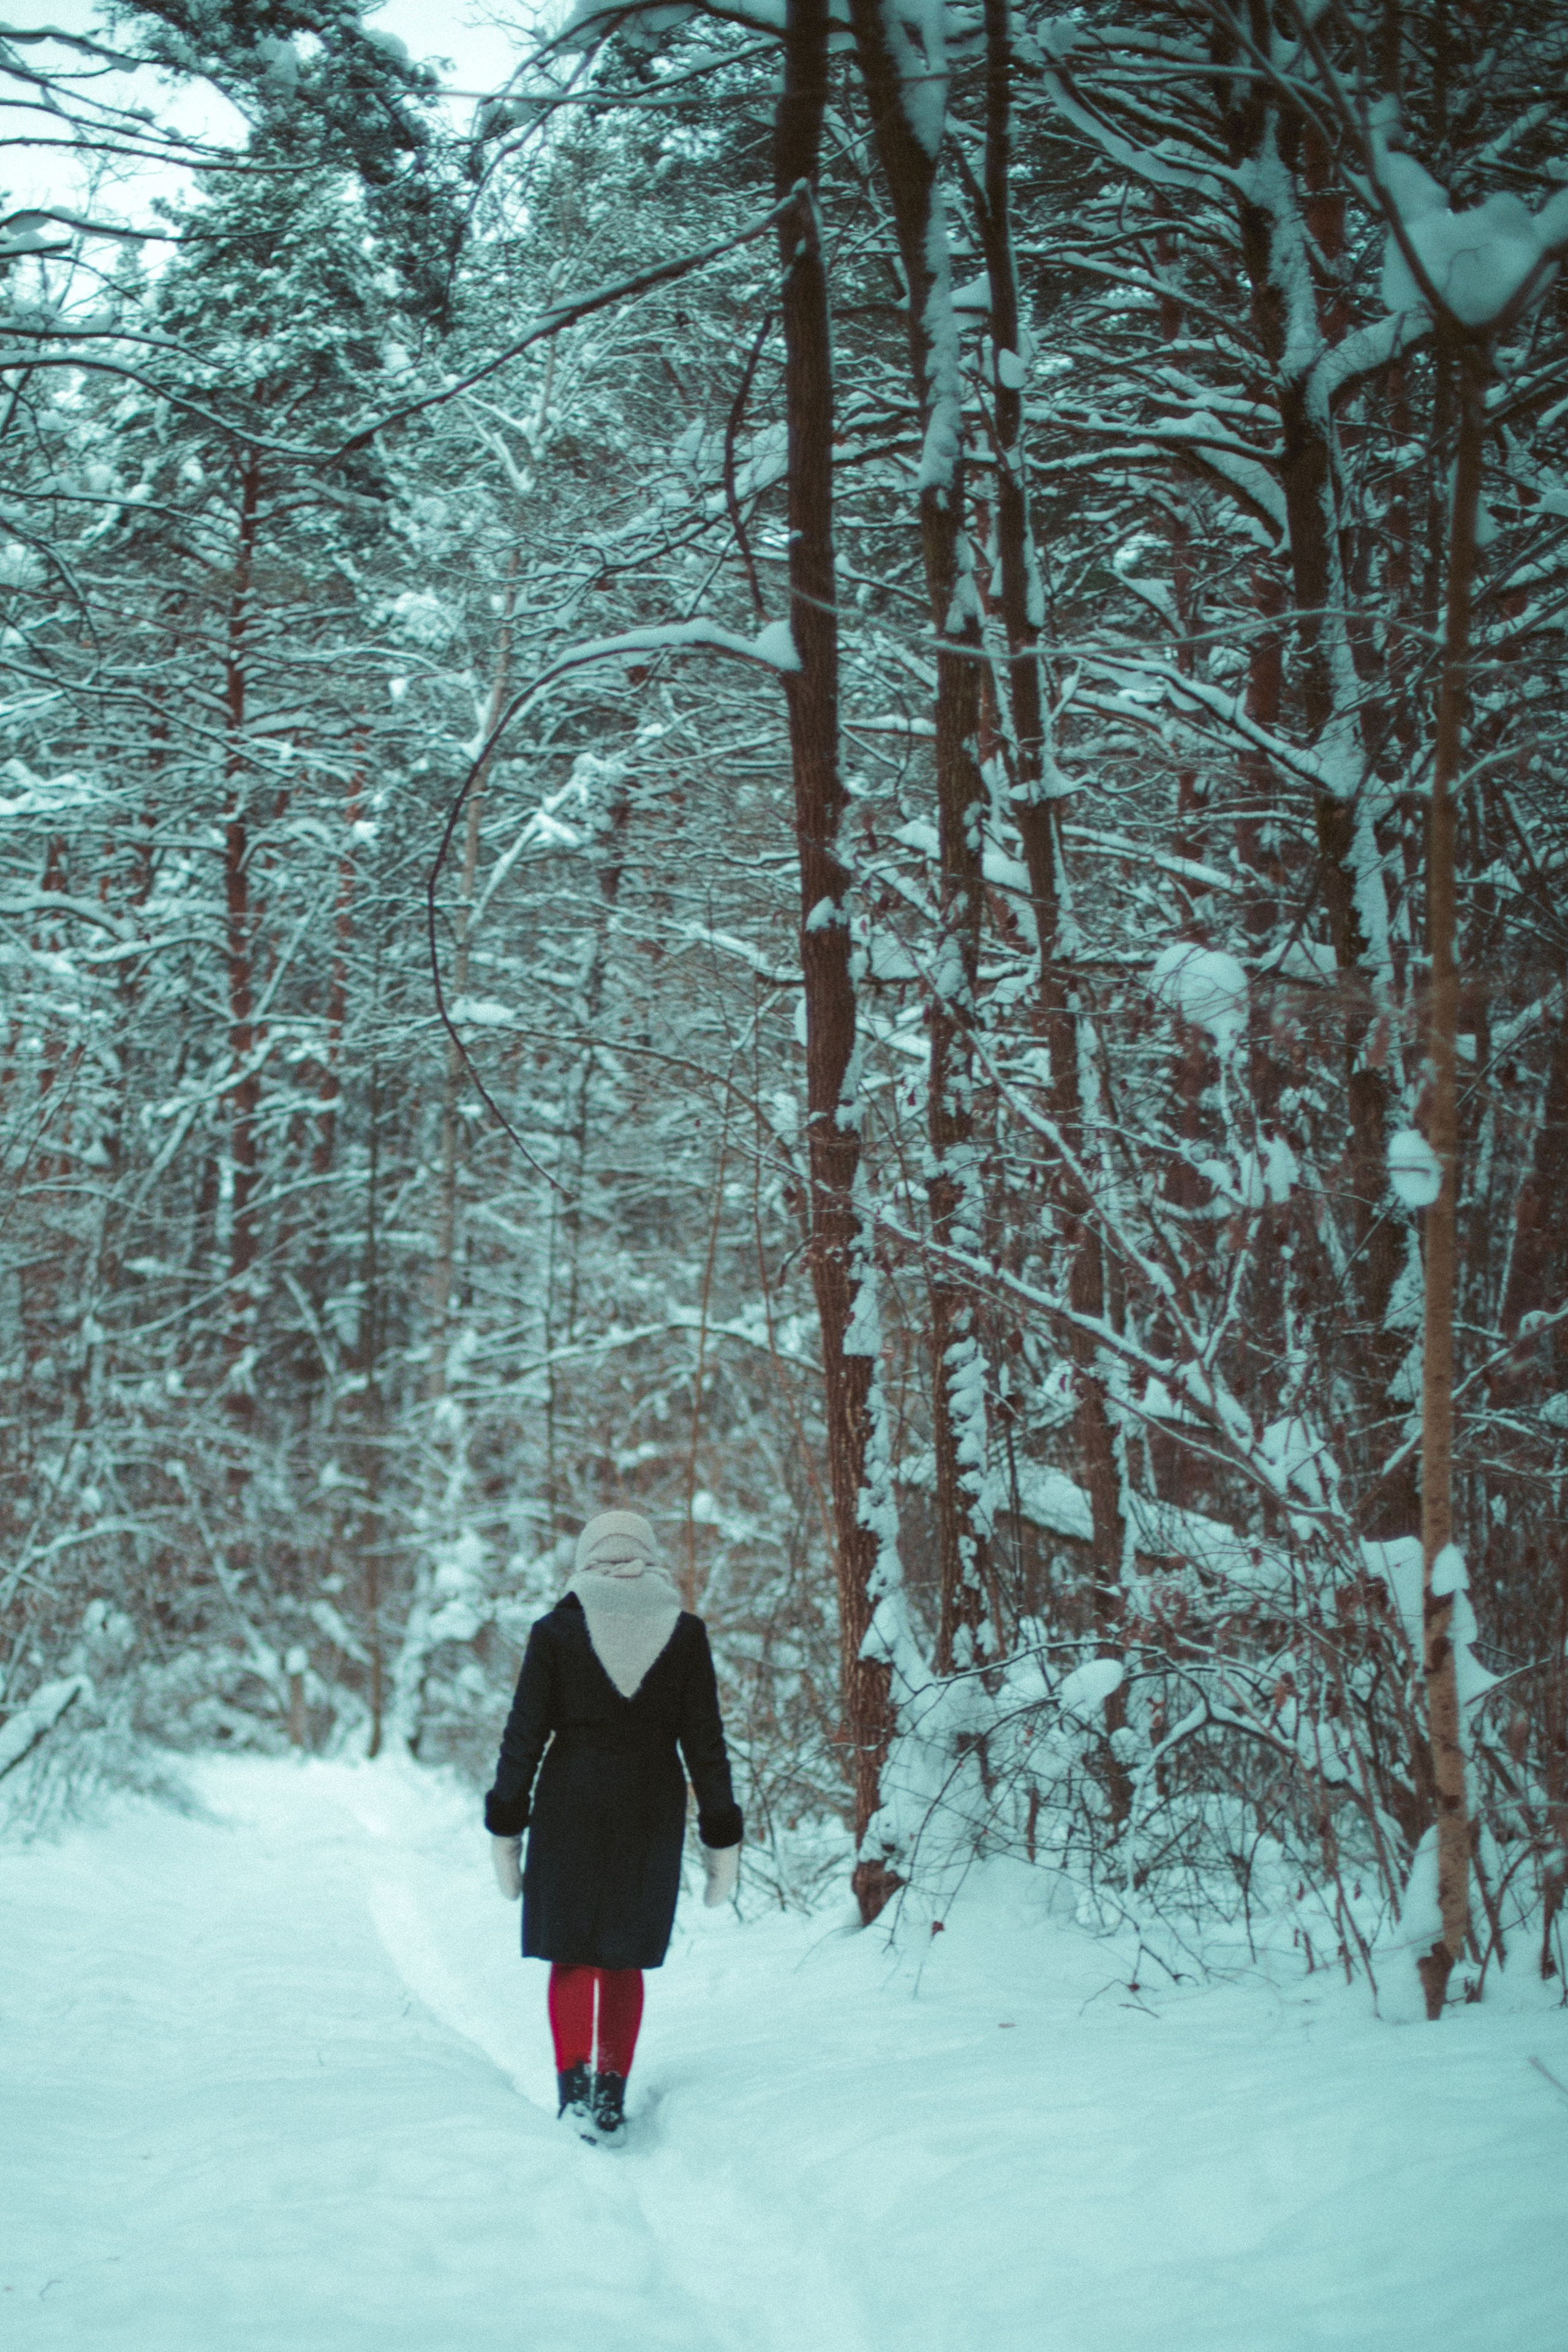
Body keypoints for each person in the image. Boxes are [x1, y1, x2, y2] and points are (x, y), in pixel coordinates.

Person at [484, 1508, 742, 2140]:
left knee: (572, 1951)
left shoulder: (556, 1632)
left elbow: (524, 1736)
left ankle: (573, 2096)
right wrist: (720, 1836)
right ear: (646, 1555)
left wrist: (505, 1826)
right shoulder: (684, 1634)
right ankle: (609, 2097)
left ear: (588, 1557)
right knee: (622, 1956)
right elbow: (704, 1744)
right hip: (649, 1804)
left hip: (570, 1798)